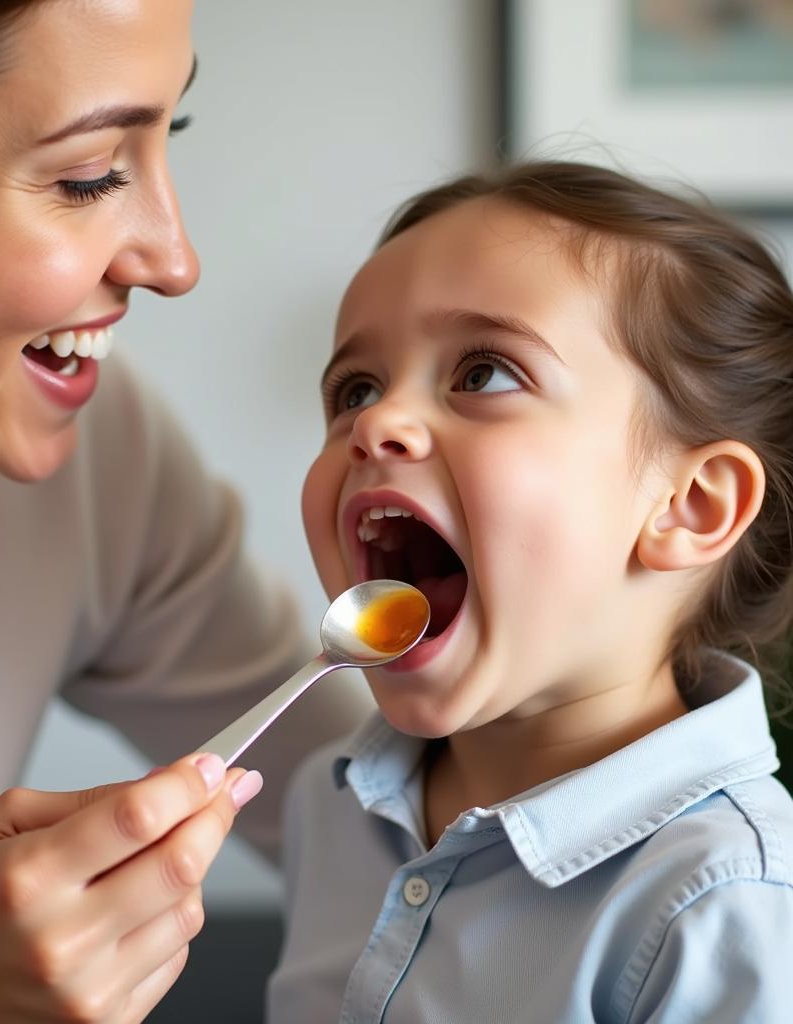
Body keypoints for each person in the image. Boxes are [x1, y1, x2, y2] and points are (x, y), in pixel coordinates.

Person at [0, 1, 369, 1020]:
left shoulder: (90, 458)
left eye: (164, 138)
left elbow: (365, 805)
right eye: (87, 175)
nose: (175, 262)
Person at [268, 161, 793, 1022]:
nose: (374, 422)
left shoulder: (730, 900)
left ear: (690, 507)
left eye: (482, 374)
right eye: (354, 389)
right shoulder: (326, 807)